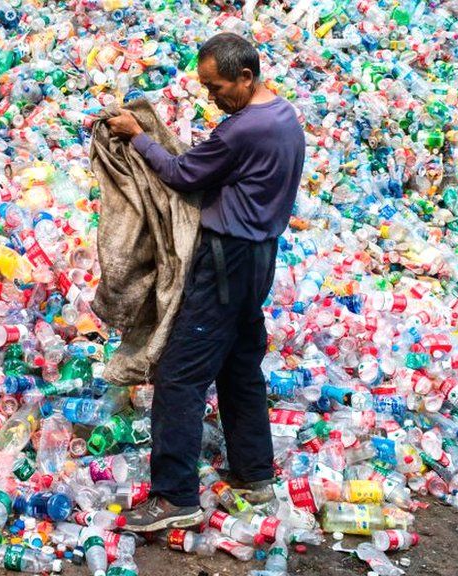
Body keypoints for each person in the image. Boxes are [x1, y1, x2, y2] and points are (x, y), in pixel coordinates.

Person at [105, 32, 306, 531]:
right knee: (240, 367)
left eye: (217, 87)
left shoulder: (243, 130)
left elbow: (179, 173)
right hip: (260, 257)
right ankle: (254, 475)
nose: (211, 96)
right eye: (205, 86)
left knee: (180, 375)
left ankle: (174, 497)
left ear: (246, 76)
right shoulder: (283, 115)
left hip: (225, 261)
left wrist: (138, 134)